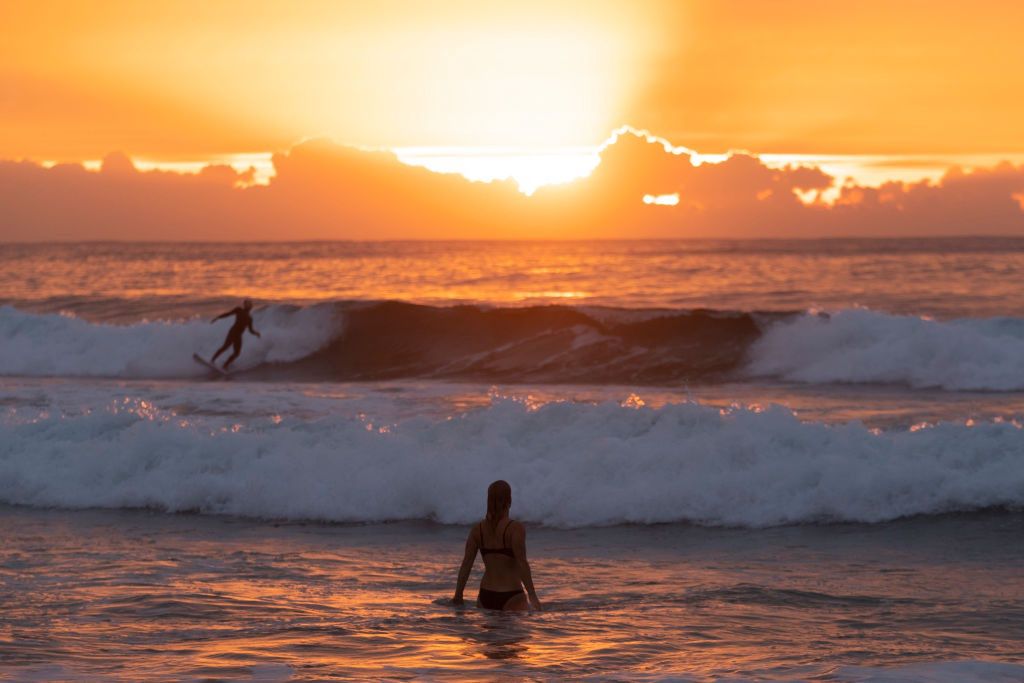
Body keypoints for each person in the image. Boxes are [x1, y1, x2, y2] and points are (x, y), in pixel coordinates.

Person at [453, 480, 542, 611]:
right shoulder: (515, 528)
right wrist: (533, 596)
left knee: (490, 632)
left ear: (488, 501)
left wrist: (458, 595)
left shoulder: (477, 529)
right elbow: (522, 563)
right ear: (509, 500)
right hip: (512, 595)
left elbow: (466, 564)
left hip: (485, 596)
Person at [210, 300, 260, 369]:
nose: (247, 305)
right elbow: (228, 314)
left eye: (249, 304)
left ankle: (225, 365)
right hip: (233, 332)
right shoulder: (239, 310)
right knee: (225, 347)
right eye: (246, 304)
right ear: (244, 305)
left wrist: (256, 333)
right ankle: (212, 360)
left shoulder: (250, 318)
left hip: (239, 335)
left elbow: (250, 330)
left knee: (237, 353)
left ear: (251, 307)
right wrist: (218, 317)